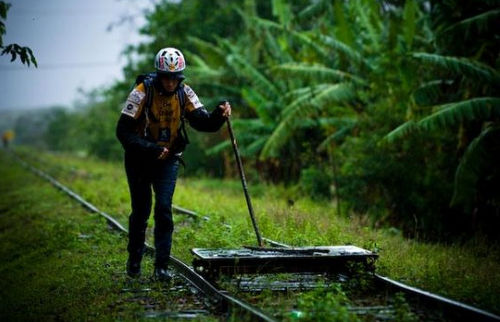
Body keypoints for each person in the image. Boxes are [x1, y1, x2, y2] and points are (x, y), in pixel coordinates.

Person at [116, 47, 231, 281]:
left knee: (164, 209)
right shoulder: (141, 92)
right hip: (140, 159)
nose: (170, 83)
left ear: (180, 77)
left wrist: (220, 112)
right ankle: (134, 261)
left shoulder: (184, 93)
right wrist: (151, 149)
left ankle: (161, 267)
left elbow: (204, 122)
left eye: (175, 78)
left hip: (168, 160)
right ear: (158, 75)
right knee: (141, 210)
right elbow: (123, 131)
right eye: (166, 78)